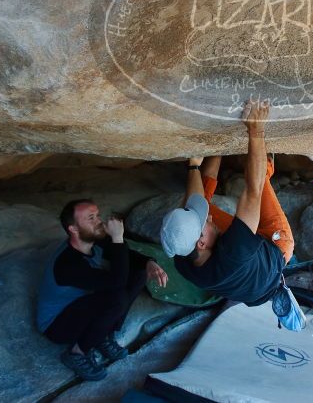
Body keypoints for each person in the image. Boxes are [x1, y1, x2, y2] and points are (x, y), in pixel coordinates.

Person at [160, 100, 295, 310]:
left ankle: (221, 149)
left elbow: (195, 201)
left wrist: (196, 164)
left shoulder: (182, 252)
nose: (210, 218)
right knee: (258, 177)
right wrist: (256, 129)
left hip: (246, 268)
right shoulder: (234, 253)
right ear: (201, 243)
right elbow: (253, 190)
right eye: (205, 222)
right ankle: (268, 165)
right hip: (276, 246)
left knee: (195, 202)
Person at [37, 199, 169, 381]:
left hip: (82, 305)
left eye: (98, 215)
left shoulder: (93, 240)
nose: (99, 221)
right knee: (117, 298)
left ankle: (103, 335)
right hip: (57, 324)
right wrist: (118, 238)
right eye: (91, 218)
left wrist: (148, 262)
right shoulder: (67, 264)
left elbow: (125, 256)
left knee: (138, 273)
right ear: (73, 229)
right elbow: (117, 281)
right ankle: (76, 353)